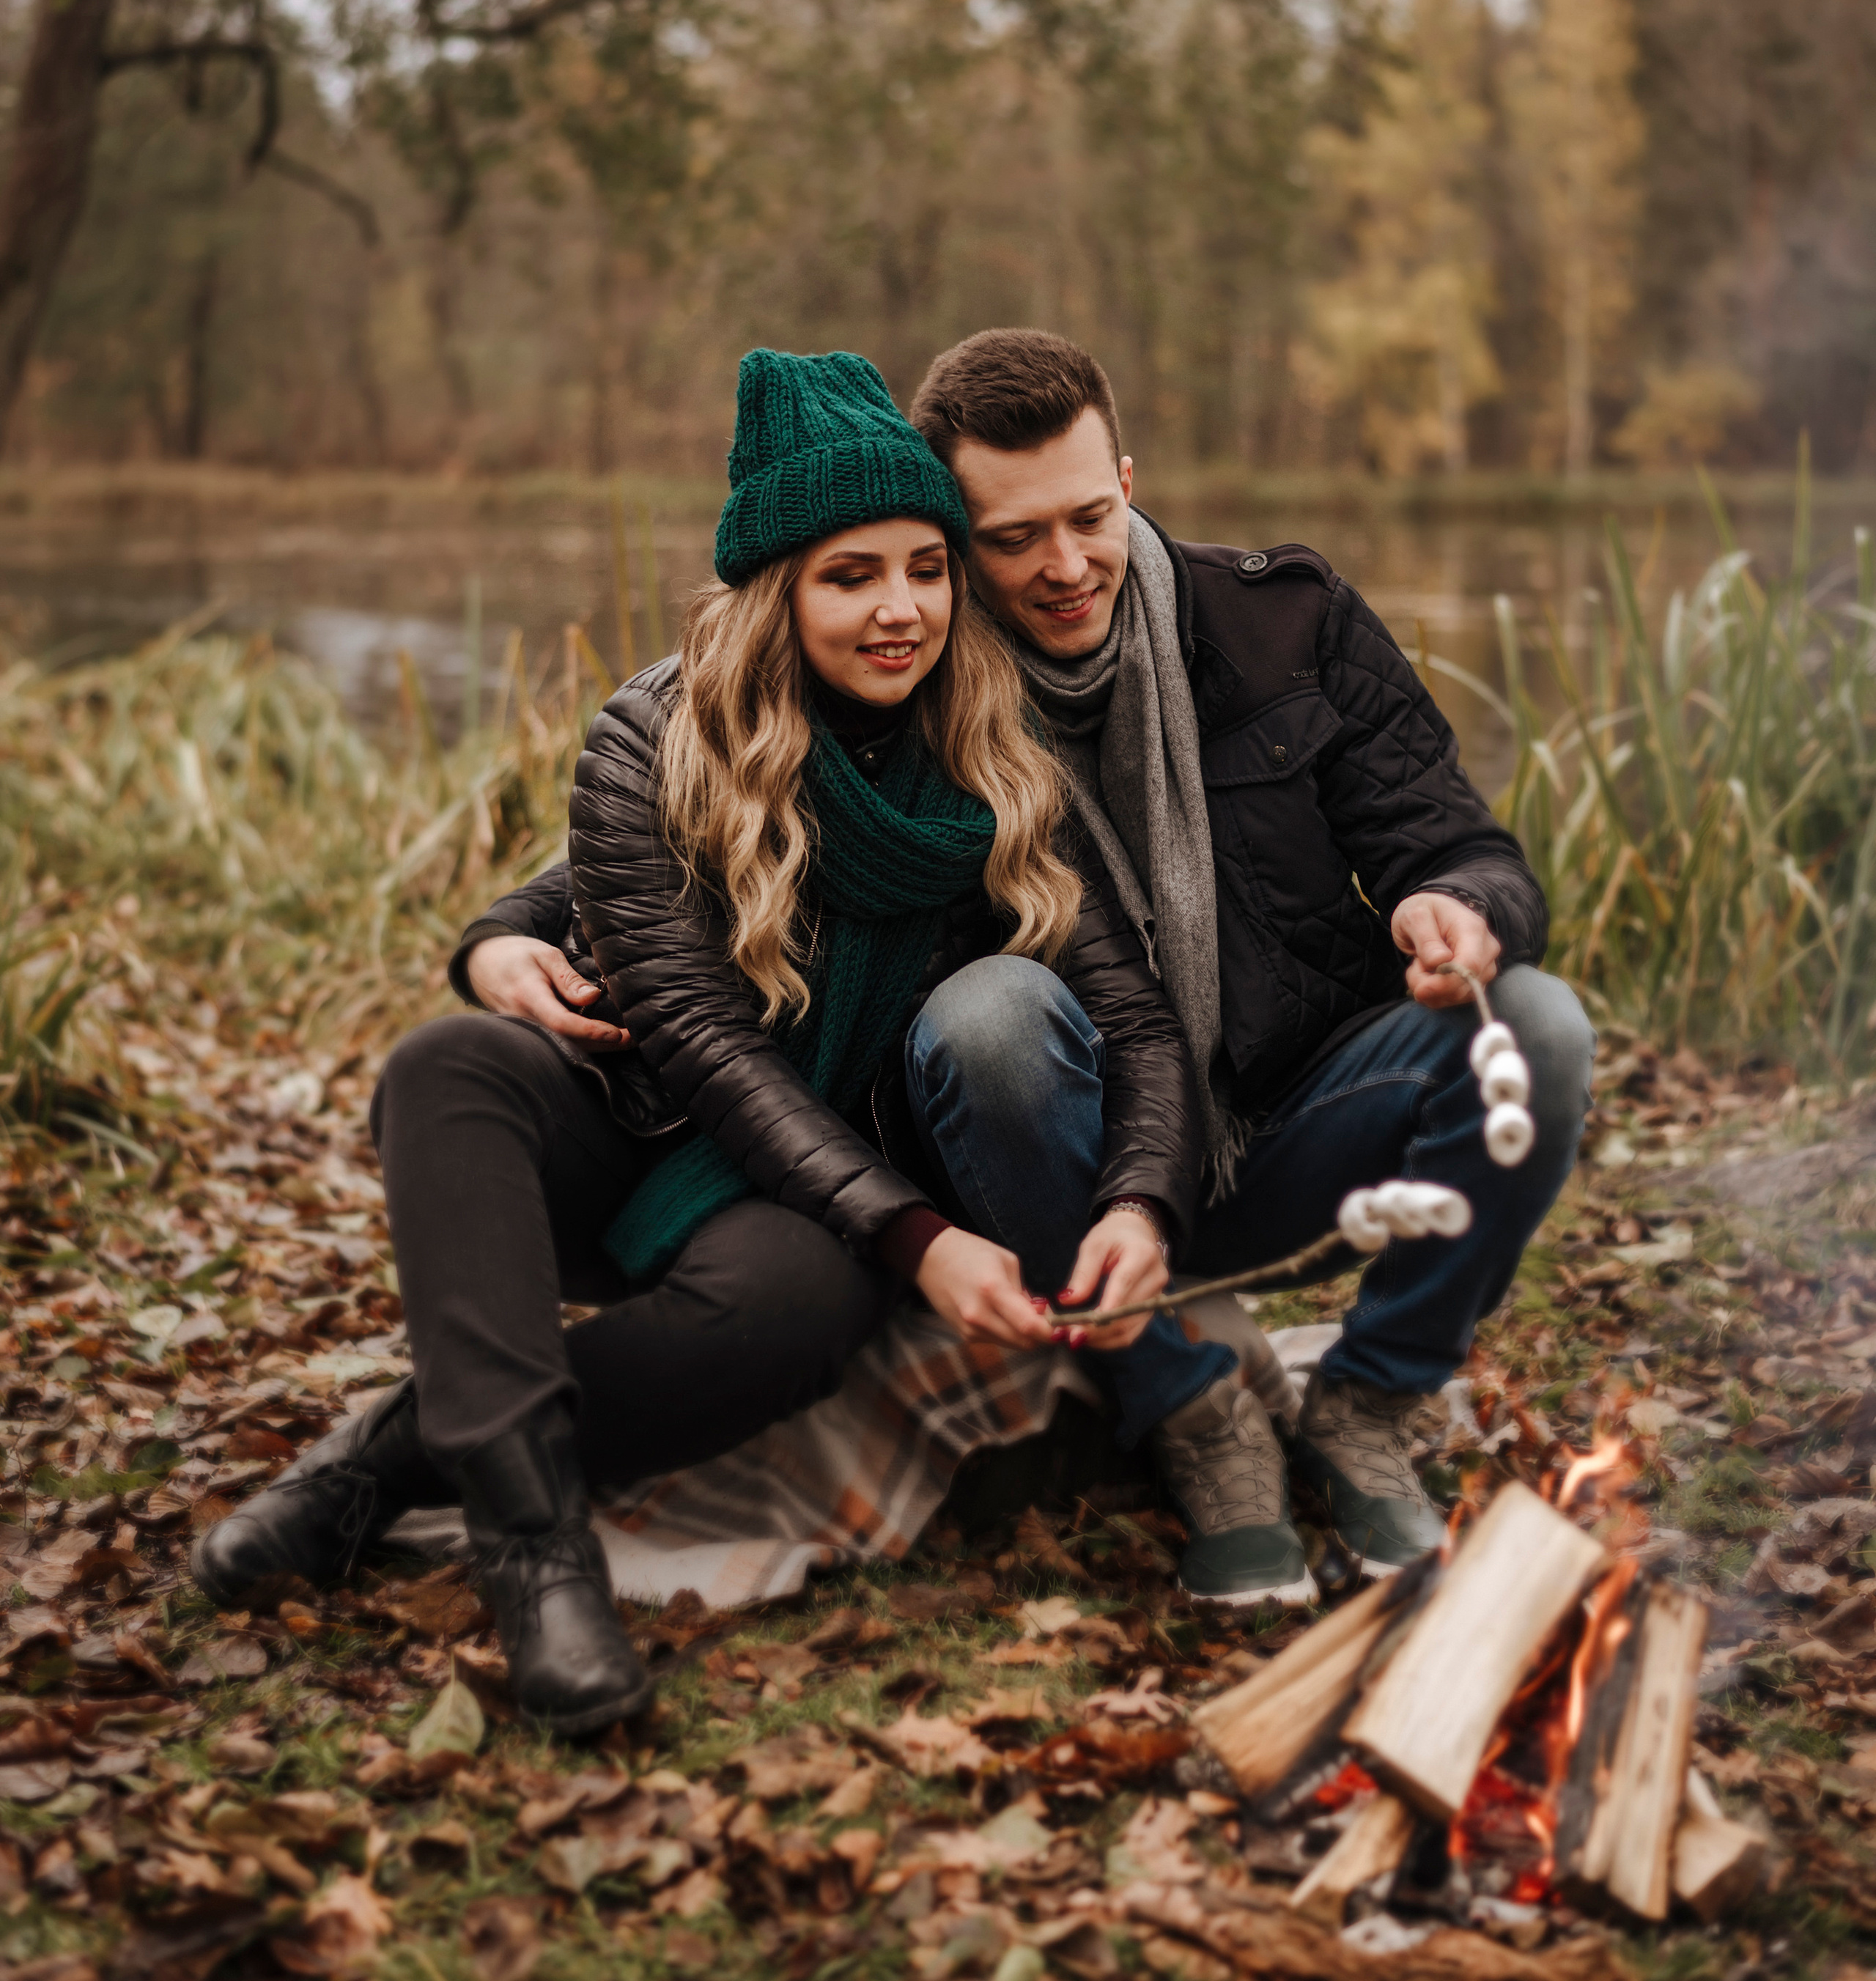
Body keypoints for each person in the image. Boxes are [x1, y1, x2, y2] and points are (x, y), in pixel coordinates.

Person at [194, 348, 1233, 1736]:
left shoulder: (991, 755)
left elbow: (1135, 1015)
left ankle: (385, 1456)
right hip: (640, 1111)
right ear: (778, 589)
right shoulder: (651, 739)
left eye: (927, 568)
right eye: (851, 575)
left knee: (797, 1307)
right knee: (448, 1067)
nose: (902, 608)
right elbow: (696, 1038)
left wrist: (1142, 1200)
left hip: (808, 1187)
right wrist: (924, 1238)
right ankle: (540, 1561)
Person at [908, 328, 1596, 1606]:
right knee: (986, 1017)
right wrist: (524, 926)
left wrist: (1455, 906)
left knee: (1541, 1028)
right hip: (1059, 1172)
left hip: (1289, 1132)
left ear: (1128, 478)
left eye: (1089, 516)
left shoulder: (1289, 617)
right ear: (952, 535)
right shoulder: (908, 682)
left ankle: (1369, 1397)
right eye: (1013, 538)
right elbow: (691, 766)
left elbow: (1459, 844)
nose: (1067, 565)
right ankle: (1190, 1406)